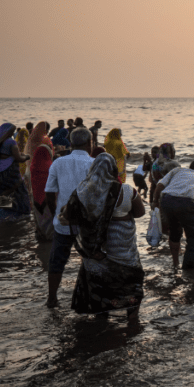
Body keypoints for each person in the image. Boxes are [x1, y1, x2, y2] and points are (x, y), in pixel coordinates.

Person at [59, 154, 145, 320]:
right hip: (124, 253)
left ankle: (101, 321)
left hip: (95, 254)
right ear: (114, 171)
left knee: (99, 288)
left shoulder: (81, 193)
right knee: (131, 285)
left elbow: (69, 216)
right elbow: (140, 213)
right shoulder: (126, 191)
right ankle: (132, 320)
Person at [44, 127, 95, 307]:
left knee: (56, 261)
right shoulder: (94, 163)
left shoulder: (58, 163)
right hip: (88, 223)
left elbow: (49, 192)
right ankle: (88, 297)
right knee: (90, 260)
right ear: (90, 144)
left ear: (71, 144)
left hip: (63, 222)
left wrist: (56, 214)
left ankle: (52, 298)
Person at [153, 161, 194, 271]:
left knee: (174, 231)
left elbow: (160, 185)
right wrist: (193, 225)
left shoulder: (177, 170)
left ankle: (175, 263)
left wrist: (155, 202)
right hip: (187, 202)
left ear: (189, 167)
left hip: (167, 200)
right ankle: (188, 270)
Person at [0, 124, 31, 217]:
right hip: (10, 171)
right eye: (12, 132)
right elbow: (19, 158)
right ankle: (19, 212)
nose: (12, 134)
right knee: (19, 190)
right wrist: (27, 156)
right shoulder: (11, 142)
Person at [29, 143, 55, 241]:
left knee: (39, 218)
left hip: (35, 195)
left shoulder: (33, 166)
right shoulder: (51, 167)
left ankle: (41, 235)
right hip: (49, 196)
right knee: (49, 218)